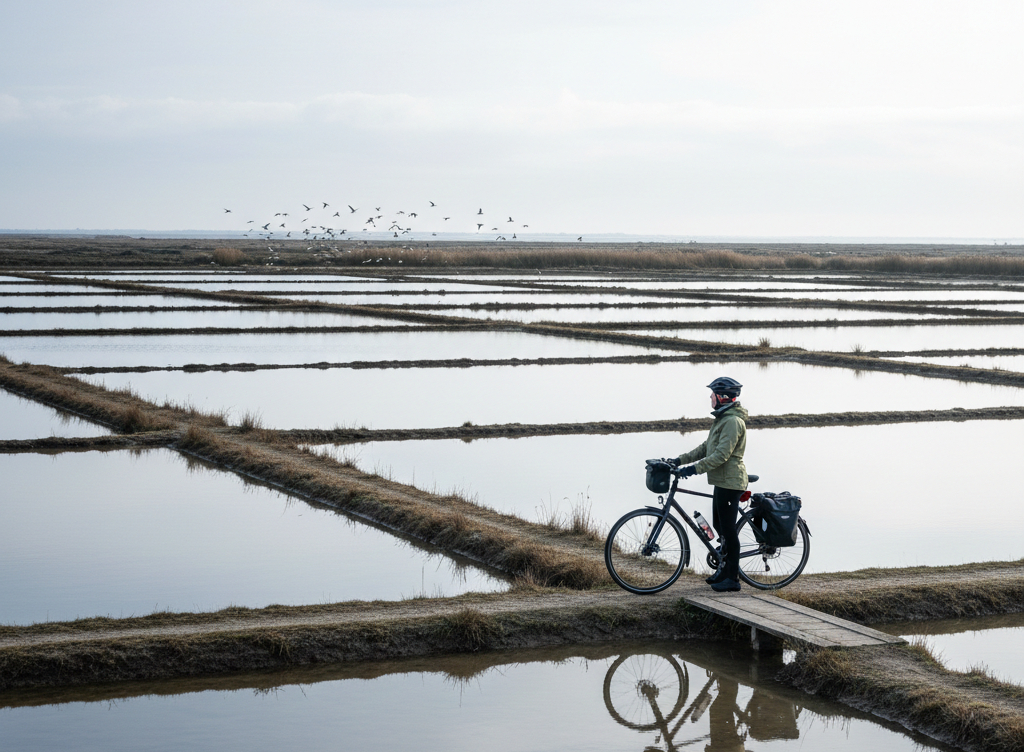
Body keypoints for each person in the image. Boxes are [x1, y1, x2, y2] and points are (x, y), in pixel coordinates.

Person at [675, 377, 748, 592]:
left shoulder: (733, 422)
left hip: (731, 482)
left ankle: (732, 579)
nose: (710, 397)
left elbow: (721, 455)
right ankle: (724, 571)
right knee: (720, 528)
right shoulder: (722, 419)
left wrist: (692, 469)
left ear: (722, 397)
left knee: (728, 530)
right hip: (721, 481)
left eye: (712, 394)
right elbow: (705, 448)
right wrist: (679, 461)